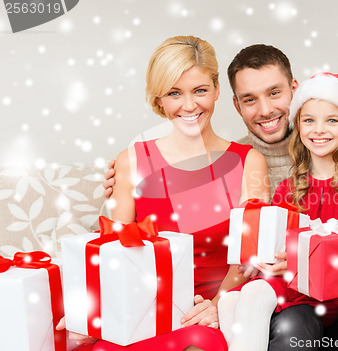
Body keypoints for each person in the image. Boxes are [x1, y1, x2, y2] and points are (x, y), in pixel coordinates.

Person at [104, 44, 338, 350]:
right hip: (292, 304)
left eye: (274, 93)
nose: (266, 109)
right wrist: (124, 187)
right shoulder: (239, 161)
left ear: (295, 90)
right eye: (250, 99)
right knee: (288, 326)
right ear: (235, 104)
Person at [65, 35, 270, 351]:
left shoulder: (249, 162)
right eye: (175, 93)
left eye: (200, 90)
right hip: (141, 316)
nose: (189, 105)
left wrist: (217, 304)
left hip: (204, 316)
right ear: (159, 99)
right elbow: (113, 255)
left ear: (217, 89)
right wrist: (88, 313)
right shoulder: (130, 161)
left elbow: (250, 258)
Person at [219, 72, 338, 351]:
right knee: (292, 331)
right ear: (298, 126)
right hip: (302, 300)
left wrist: (299, 261)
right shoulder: (288, 190)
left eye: (331, 120)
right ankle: (245, 305)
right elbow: (280, 252)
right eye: (309, 120)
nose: (319, 130)